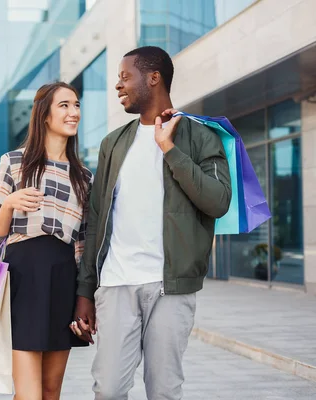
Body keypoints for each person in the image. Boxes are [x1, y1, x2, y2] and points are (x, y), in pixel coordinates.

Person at [72, 46, 232, 399]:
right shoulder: (113, 144)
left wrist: (169, 149)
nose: (117, 85)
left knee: (163, 391)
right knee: (109, 389)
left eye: (125, 76)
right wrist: (85, 291)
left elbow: (218, 201)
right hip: (115, 285)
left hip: (170, 287)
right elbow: (96, 218)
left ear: (154, 77)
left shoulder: (200, 136)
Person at [0, 82, 93, 400]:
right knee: (29, 394)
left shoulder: (84, 177)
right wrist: (10, 203)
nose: (73, 112)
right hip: (24, 276)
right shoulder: (14, 162)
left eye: (76, 105)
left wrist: (85, 298)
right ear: (44, 114)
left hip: (63, 277)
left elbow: (84, 244)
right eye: (64, 105)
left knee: (50, 391)